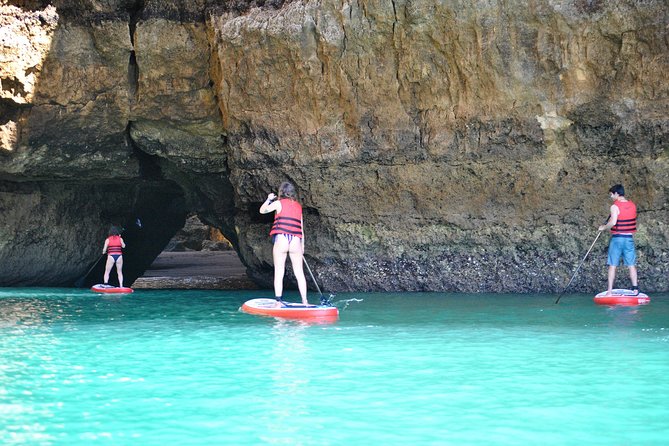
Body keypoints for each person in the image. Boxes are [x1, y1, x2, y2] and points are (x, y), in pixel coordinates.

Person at [259, 182, 309, 305]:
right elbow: (301, 227)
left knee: (279, 271)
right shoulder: (298, 206)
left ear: (281, 192)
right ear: (293, 193)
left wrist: (268, 199)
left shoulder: (278, 203)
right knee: (299, 273)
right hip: (296, 241)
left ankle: (278, 302)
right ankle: (305, 301)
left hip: (282, 239)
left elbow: (262, 211)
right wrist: (302, 246)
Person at [598, 184, 639, 295]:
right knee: (631, 264)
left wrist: (604, 227)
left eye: (611, 194)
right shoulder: (633, 205)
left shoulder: (614, 207)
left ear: (617, 193)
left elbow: (613, 222)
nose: (611, 197)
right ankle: (635, 289)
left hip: (617, 239)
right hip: (629, 238)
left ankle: (610, 291)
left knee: (612, 265)